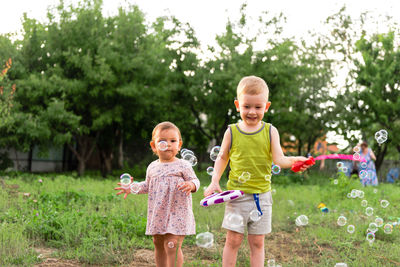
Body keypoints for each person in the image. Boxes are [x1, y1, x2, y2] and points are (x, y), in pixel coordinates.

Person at [204, 76, 312, 267]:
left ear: (266, 106)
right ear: (238, 105)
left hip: (261, 197)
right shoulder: (232, 131)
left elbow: (279, 159)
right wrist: (214, 181)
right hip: (236, 196)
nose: (252, 112)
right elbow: (222, 158)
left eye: (257, 107)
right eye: (246, 106)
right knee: (233, 240)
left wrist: (295, 160)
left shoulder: (271, 131)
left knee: (257, 241)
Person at [115, 121, 200, 267]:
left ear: (179, 145)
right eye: (162, 141)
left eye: (173, 141)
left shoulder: (183, 165)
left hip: (178, 212)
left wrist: (191, 185)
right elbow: (147, 186)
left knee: (172, 243)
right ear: (154, 146)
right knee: (158, 243)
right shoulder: (152, 167)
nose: (168, 144)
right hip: (159, 212)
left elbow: (195, 180)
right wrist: (131, 188)